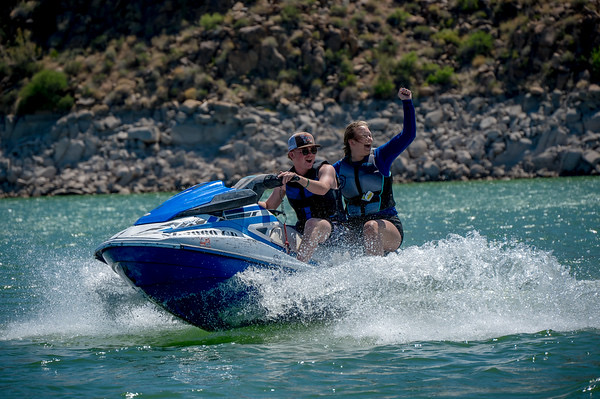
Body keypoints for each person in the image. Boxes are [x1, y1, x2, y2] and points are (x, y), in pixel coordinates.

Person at [333, 87, 416, 256]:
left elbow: (408, 135)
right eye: (364, 136)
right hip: (354, 226)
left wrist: (407, 102)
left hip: (387, 226)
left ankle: (376, 279)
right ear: (352, 142)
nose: (370, 139)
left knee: (370, 227)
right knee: (337, 235)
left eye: (370, 135)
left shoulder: (381, 157)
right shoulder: (338, 169)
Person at [259, 132, 343, 262]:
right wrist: (248, 204)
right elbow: (270, 206)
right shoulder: (286, 179)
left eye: (313, 150)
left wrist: (299, 179)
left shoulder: (325, 169)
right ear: (291, 155)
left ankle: (299, 269)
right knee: (272, 228)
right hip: (302, 230)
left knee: (312, 223)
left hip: (333, 229)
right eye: (304, 151)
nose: (310, 154)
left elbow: (323, 188)